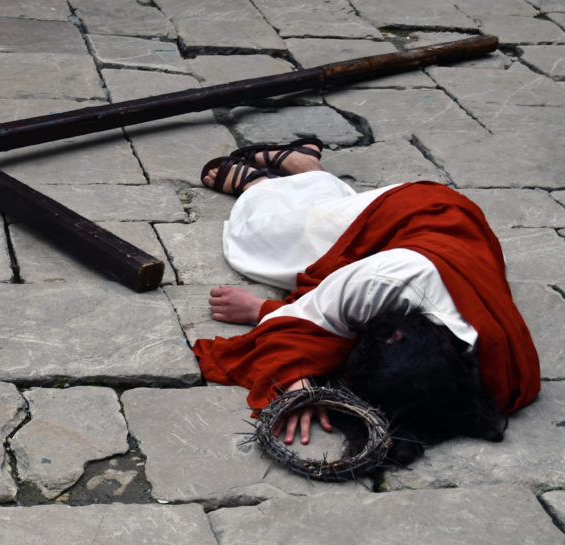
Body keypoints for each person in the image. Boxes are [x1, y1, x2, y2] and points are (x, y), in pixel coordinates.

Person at [194, 138, 540, 465]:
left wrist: (300, 377)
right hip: (407, 212)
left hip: (445, 245)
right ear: (395, 335)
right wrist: (268, 321)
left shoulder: (491, 375)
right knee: (263, 243)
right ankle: (266, 183)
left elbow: (321, 329)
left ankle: (304, 170)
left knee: (313, 228)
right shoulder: (379, 280)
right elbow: (303, 318)